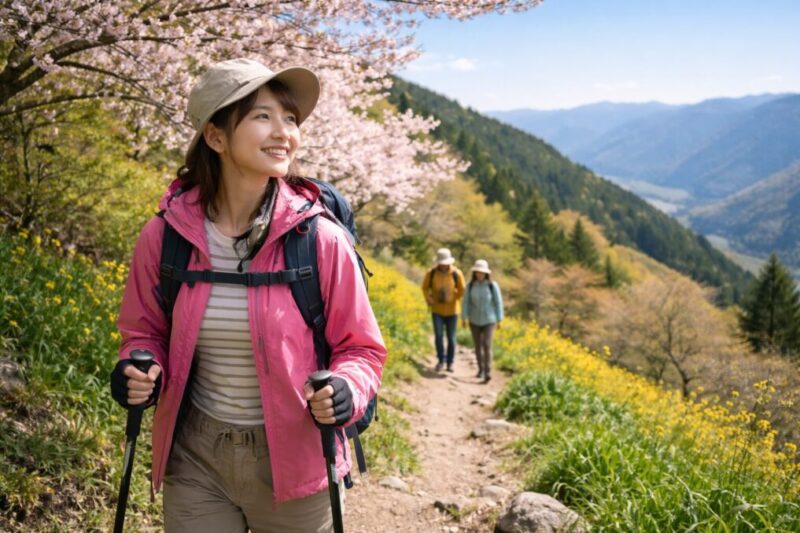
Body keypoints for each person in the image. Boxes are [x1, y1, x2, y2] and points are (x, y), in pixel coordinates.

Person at [109, 58, 387, 532]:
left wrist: (347, 389)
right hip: (195, 456)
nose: (284, 133)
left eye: (290, 119)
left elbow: (361, 349)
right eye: (262, 116)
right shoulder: (165, 236)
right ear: (216, 137)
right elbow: (144, 330)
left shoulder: (319, 239)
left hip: (298, 460)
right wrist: (137, 365)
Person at [421, 248, 465, 372]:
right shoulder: (431, 273)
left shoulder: (457, 273)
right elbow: (424, 288)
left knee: (451, 337)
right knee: (439, 336)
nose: (444, 265)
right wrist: (428, 298)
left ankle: (450, 362)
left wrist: (453, 297)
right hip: (436, 310)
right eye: (442, 263)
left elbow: (462, 289)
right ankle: (441, 360)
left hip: (453, 310)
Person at [461, 259, 503, 383]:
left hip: (489, 320)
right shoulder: (470, 286)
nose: (480, 274)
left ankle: (488, 371)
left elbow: (498, 302)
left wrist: (499, 319)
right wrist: (464, 317)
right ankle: (480, 369)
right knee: (477, 346)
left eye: (482, 272)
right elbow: (466, 303)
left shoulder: (492, 286)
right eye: (478, 272)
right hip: (474, 320)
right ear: (475, 273)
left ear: (486, 273)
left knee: (487, 344)